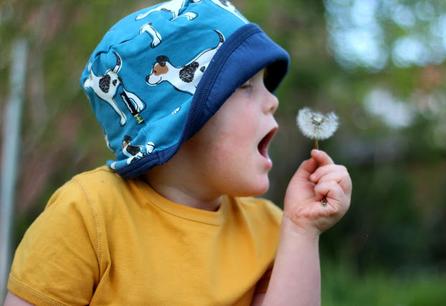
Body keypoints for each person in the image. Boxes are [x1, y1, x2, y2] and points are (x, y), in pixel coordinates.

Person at [4, 0, 352, 305]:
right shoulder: (86, 214)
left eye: (264, 84)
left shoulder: (269, 229)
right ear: (177, 117)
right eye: (245, 85)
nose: (273, 101)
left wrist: (302, 230)